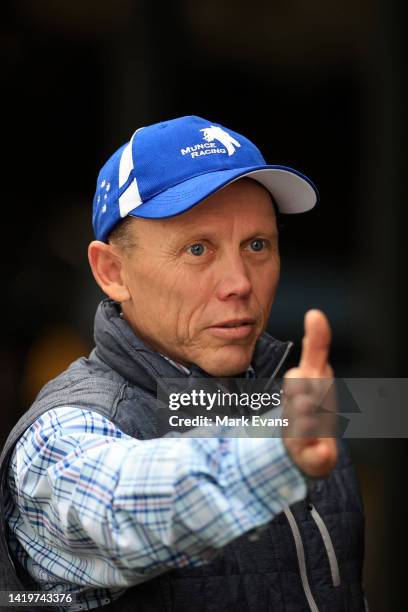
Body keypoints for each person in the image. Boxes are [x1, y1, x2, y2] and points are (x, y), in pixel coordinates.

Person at [0, 116, 367, 611]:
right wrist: (273, 452)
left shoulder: (298, 396)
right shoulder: (63, 431)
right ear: (111, 272)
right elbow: (119, 506)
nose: (239, 281)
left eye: (257, 245)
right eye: (198, 249)